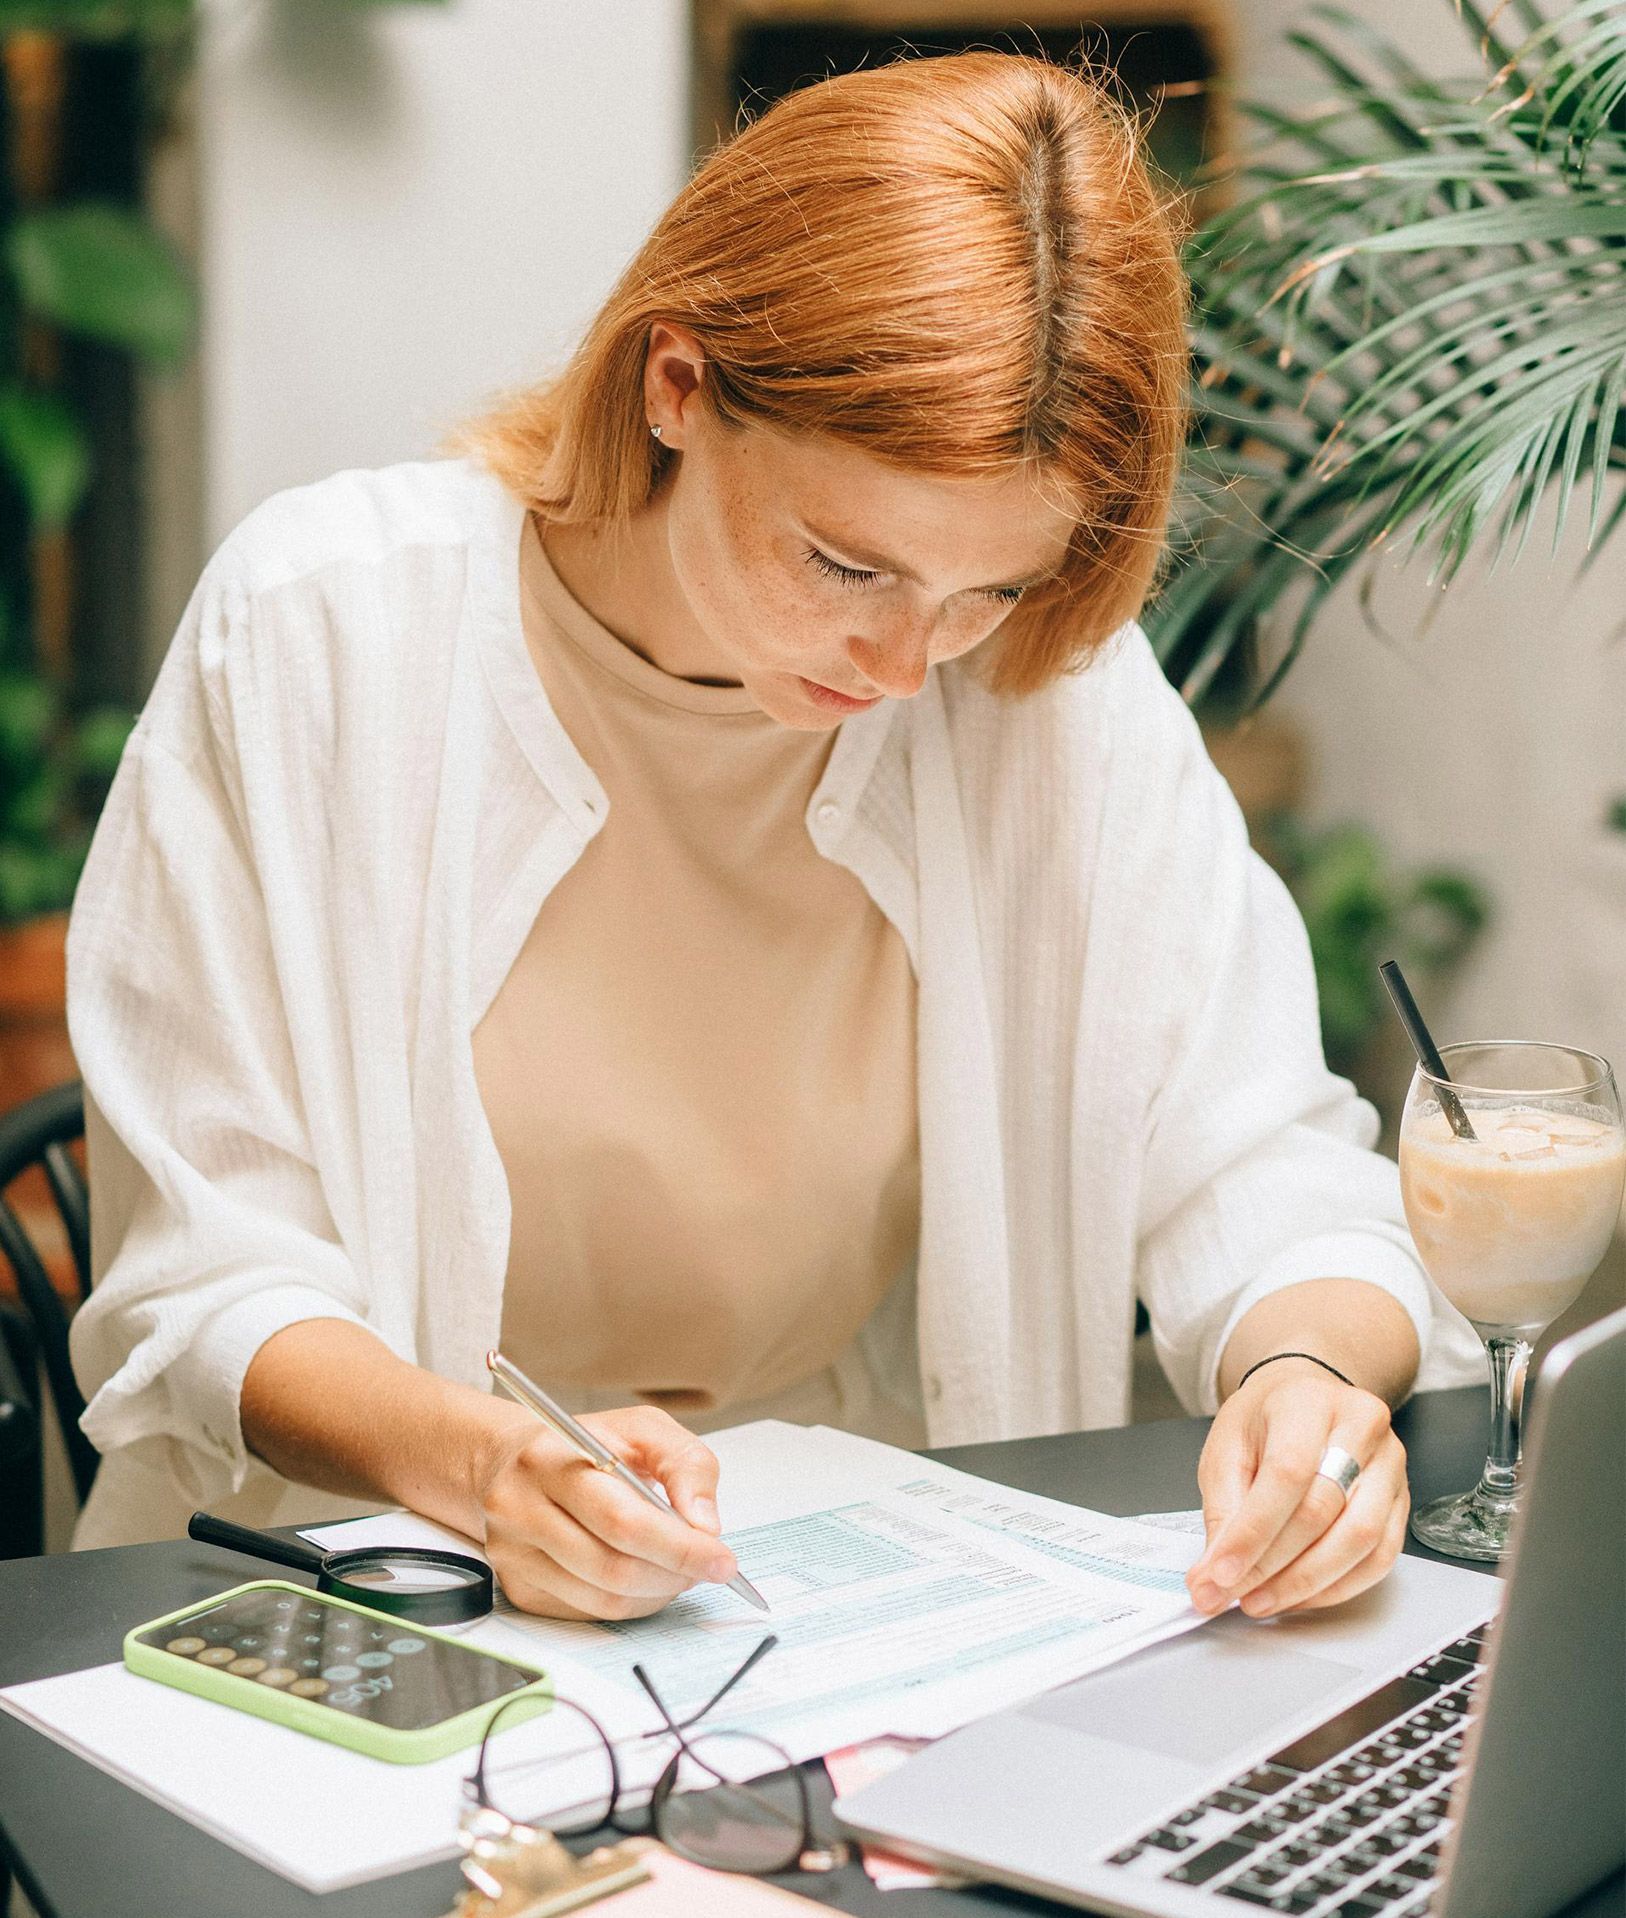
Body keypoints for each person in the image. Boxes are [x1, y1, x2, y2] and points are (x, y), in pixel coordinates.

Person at [67, 52, 1477, 1623]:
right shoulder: (320, 632)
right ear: (676, 383)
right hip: (365, 1582)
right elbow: (205, 1280)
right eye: (843, 561)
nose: (899, 664)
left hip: (839, 1594)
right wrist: (484, 1471)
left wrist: (1305, 1375)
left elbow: (1260, 1153)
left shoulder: (1038, 694)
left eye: (988, 587)